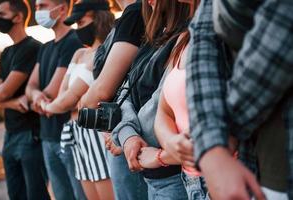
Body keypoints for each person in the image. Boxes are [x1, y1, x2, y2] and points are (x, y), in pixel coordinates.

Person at [183, 0, 293, 199]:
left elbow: (283, 32)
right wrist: (212, 147)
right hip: (249, 166)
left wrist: (217, 137)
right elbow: (202, 40)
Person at [109, 0, 197, 199]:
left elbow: (161, 105)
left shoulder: (186, 37)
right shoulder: (153, 37)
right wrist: (127, 135)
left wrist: (126, 134)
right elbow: (124, 93)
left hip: (174, 172)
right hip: (149, 168)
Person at [41, 1, 115, 199]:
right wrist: (62, 102)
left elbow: (67, 100)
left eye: (82, 22)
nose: (78, 29)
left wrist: (51, 106)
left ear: (99, 18)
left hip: (95, 133)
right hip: (77, 133)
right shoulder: (80, 53)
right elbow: (64, 95)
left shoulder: (106, 52)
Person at [77, 0, 147, 199]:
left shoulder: (135, 14)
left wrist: (84, 100)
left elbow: (103, 90)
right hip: (118, 132)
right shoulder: (125, 18)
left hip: (130, 133)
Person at [25, 0, 85, 199]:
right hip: (47, 135)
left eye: (43, 6)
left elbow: (54, 93)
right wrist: (36, 96)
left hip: (68, 136)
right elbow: (30, 87)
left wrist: (40, 98)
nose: (37, 11)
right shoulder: (46, 47)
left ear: (61, 9)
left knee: (79, 195)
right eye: (36, 7)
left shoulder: (73, 42)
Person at [0, 0, 50, 199]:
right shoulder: (7, 52)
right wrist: (9, 102)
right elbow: (0, 95)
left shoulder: (33, 48)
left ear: (17, 17)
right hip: (10, 134)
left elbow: (2, 93)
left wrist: (3, 98)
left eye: (2, 13)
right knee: (15, 194)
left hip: (30, 135)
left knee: (36, 194)